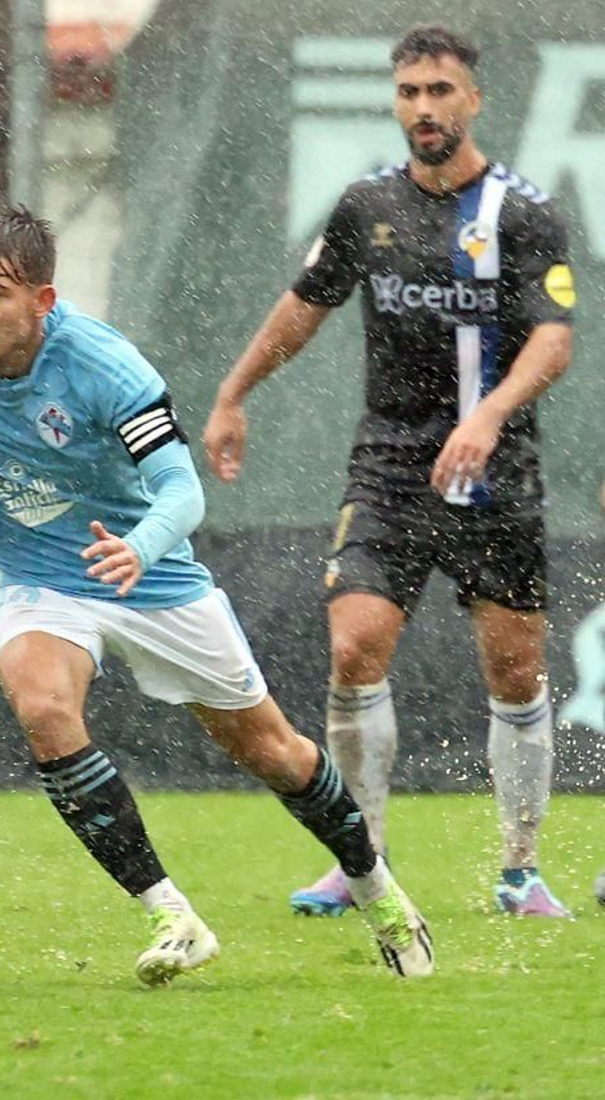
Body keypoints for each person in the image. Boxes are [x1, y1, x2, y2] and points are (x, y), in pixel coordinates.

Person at [0, 207, 435, 982]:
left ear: (42, 303)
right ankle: (172, 916)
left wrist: (139, 546)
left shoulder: (107, 367)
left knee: (273, 751)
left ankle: (377, 889)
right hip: (34, 575)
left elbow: (183, 493)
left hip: (149, 574)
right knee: (44, 709)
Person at [203, 26, 576, 918]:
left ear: (473, 100)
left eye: (440, 91)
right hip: (392, 466)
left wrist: (486, 416)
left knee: (515, 676)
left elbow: (555, 342)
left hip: (497, 472)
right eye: (409, 92)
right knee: (353, 648)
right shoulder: (367, 205)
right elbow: (305, 307)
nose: (424, 108)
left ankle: (519, 870)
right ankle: (360, 859)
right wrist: (233, 392)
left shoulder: (522, 213)